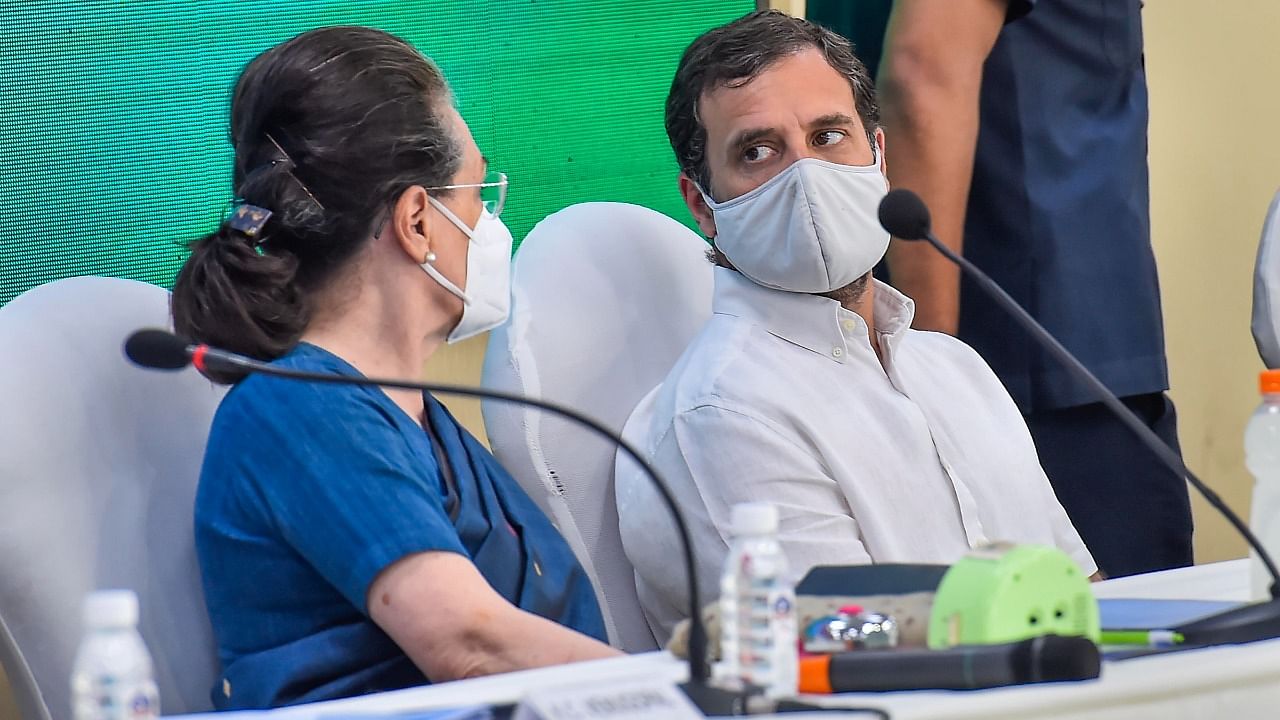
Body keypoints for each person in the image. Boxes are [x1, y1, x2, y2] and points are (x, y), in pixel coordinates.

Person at [170, 27, 616, 710]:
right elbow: (470, 644)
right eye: (475, 196)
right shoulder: (298, 413)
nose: (491, 225)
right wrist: (678, 694)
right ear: (416, 222)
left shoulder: (411, 417)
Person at [614, 10, 1095, 643]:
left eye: (829, 135)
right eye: (757, 151)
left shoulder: (955, 369)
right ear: (703, 203)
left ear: (878, 155)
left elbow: (1081, 597)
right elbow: (847, 656)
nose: (806, 175)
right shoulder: (721, 411)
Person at [856, 0, 1193, 577]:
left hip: (1030, 359)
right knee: (1126, 651)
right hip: (1043, 374)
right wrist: (936, 374)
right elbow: (923, 76)